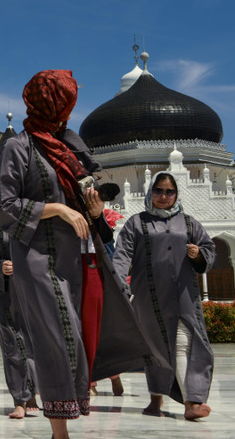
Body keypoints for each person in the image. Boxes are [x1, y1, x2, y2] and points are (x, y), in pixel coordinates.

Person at [0, 69, 156, 439]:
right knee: (56, 334)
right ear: (52, 104)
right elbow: (4, 206)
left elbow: (90, 187)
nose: (68, 112)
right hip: (38, 258)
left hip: (81, 256)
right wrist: (57, 209)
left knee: (81, 334)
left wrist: (94, 208)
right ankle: (59, 430)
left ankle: (67, 415)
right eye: (65, 103)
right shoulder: (18, 148)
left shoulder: (71, 145)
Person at [113, 171, 216, 420]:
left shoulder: (189, 223)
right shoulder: (137, 223)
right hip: (151, 299)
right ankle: (155, 400)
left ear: (176, 194)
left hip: (184, 296)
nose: (163, 196)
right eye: (158, 190)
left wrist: (199, 254)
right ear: (151, 192)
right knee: (157, 349)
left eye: (169, 192)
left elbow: (209, 248)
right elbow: (121, 256)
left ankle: (192, 402)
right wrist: (120, 288)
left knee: (185, 344)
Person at [0, 218, 39, 419]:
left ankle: (34, 395)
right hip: (7, 294)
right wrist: (0, 266)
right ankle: (20, 400)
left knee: (35, 343)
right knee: (13, 345)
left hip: (35, 292)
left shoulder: (36, 221)